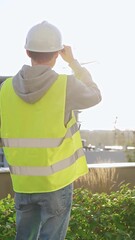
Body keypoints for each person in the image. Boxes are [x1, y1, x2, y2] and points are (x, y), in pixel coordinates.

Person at [0, 21, 102, 240]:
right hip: (56, 184)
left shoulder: (5, 90)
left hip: (23, 183)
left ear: (27, 51)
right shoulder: (66, 85)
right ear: (57, 54)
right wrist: (73, 62)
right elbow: (95, 95)